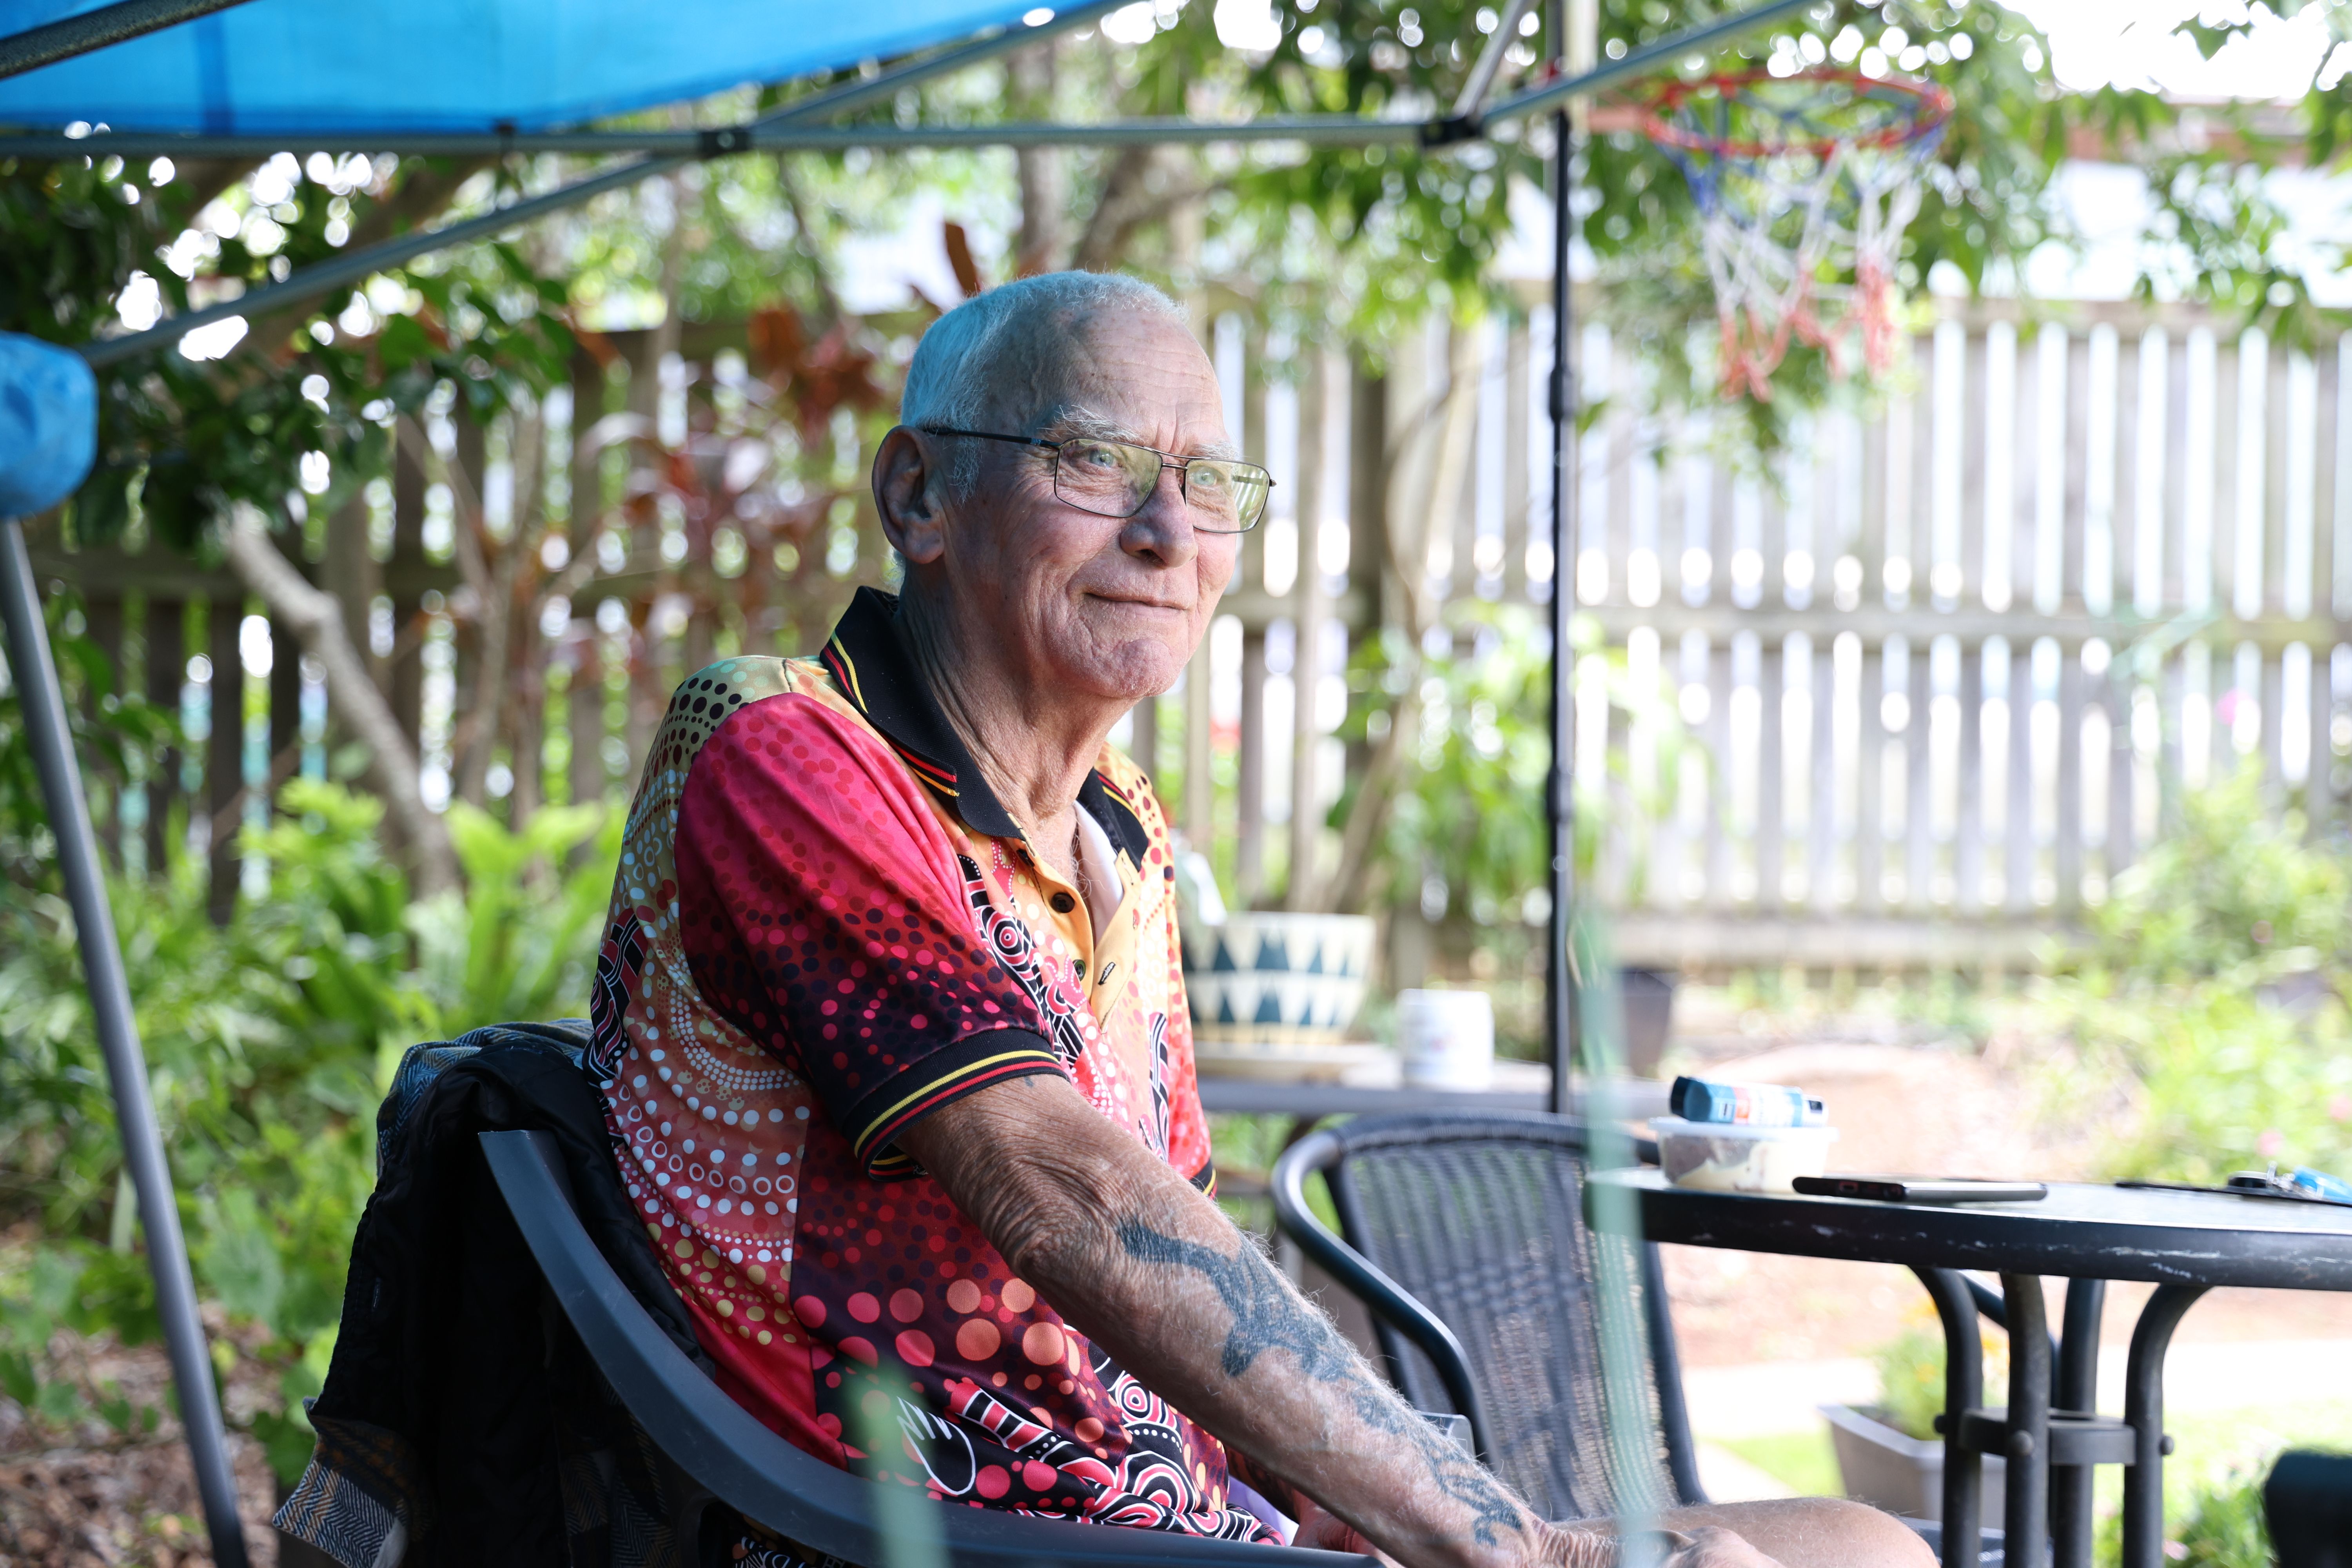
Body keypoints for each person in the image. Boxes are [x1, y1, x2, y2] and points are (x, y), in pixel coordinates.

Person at [583, 270, 1932, 1568]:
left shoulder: (1121, 826)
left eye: (1208, 484)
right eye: (1098, 462)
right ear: (921, 494)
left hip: (1182, 1522)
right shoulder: (786, 753)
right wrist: (1512, 1546)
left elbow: (1173, 1230)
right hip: (961, 1533)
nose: (1169, 533)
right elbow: (1065, 1195)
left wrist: (1353, 1483)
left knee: (1865, 1544)